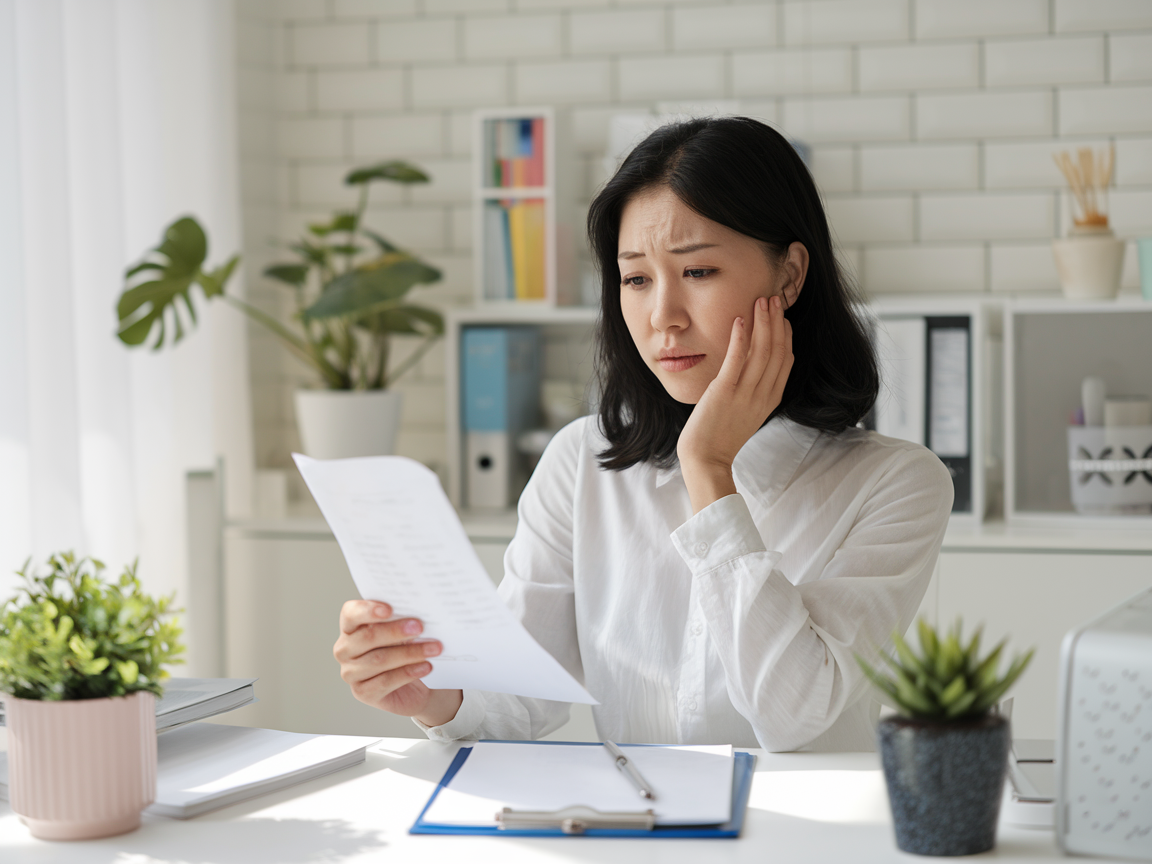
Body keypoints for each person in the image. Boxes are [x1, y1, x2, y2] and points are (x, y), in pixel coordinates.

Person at [333, 117, 954, 752]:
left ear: (789, 276)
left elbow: (792, 714)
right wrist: (435, 695)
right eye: (636, 278)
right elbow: (519, 694)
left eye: (699, 272)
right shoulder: (580, 462)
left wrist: (709, 468)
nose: (663, 317)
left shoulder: (897, 484)